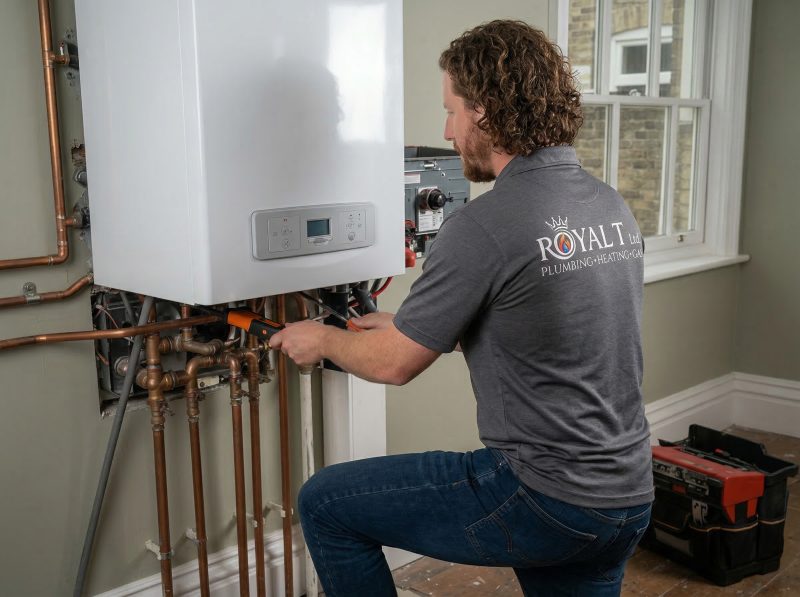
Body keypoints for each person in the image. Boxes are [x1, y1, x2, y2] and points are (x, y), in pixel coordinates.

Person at [270, 20, 653, 597]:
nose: (446, 130)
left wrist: (320, 340)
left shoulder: (484, 224)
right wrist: (412, 326)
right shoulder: (607, 204)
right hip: (625, 494)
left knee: (326, 503)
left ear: (486, 111)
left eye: (451, 111)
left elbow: (395, 366)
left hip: (542, 494)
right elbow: (547, 321)